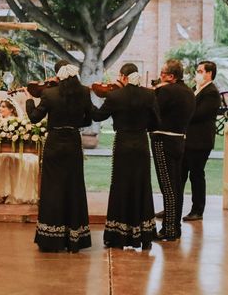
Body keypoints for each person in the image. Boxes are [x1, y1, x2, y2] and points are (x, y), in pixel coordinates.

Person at [25, 60, 93, 253]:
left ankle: (51, 239)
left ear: (58, 75)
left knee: (53, 188)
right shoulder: (84, 92)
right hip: (73, 142)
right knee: (74, 187)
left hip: (54, 143)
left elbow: (34, 117)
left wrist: (29, 99)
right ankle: (75, 239)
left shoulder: (49, 93)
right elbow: (88, 119)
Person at [92, 63, 160, 250]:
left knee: (121, 186)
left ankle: (118, 236)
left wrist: (88, 101)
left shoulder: (115, 96)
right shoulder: (149, 95)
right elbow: (156, 122)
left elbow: (98, 116)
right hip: (141, 143)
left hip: (122, 143)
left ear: (123, 77)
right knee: (142, 186)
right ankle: (145, 236)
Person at [151, 59, 195, 241]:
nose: (160, 76)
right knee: (176, 186)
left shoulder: (166, 91)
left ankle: (168, 229)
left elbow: (153, 112)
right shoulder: (189, 92)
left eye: (163, 73)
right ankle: (175, 227)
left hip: (163, 139)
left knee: (167, 187)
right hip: (179, 140)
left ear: (171, 76)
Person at [181, 61, 220, 222]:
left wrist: (183, 111)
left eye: (200, 71)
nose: (197, 74)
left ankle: (197, 209)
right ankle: (172, 207)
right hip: (187, 140)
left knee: (196, 175)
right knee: (180, 175)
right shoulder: (195, 90)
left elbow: (199, 114)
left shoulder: (211, 92)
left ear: (209, 73)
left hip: (200, 141)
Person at [0, 99, 39, 204]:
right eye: (0, 106)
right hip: (3, 152)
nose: (0, 109)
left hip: (15, 151)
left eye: (3, 107)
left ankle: (16, 194)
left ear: (11, 109)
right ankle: (2, 194)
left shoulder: (17, 123)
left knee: (29, 161)